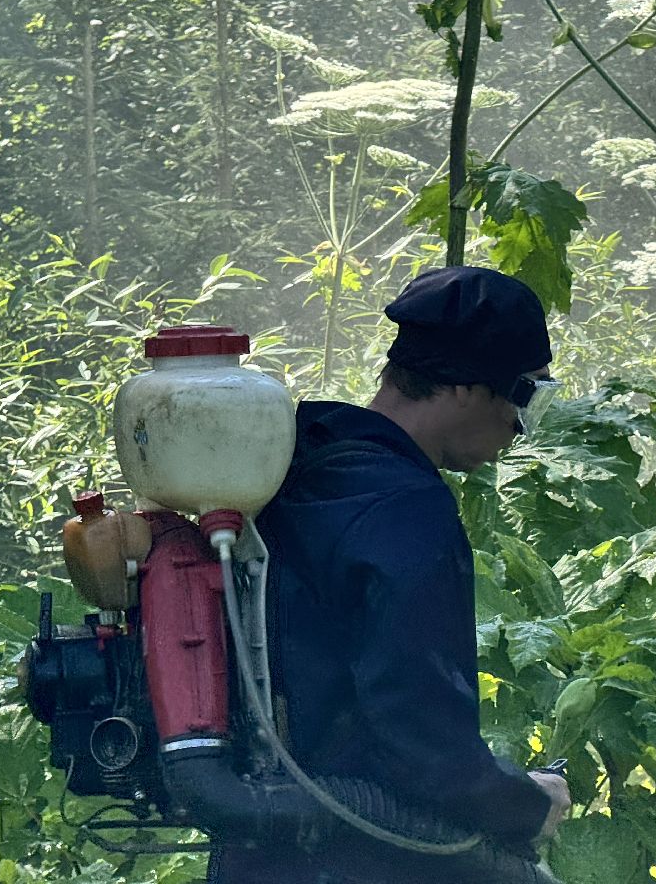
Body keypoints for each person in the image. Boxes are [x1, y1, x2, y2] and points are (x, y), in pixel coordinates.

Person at [208, 266, 571, 883]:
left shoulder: (299, 459)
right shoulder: (404, 508)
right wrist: (527, 804)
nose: (518, 429)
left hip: (256, 848)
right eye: (525, 398)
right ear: (465, 385)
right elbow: (420, 745)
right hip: (360, 856)